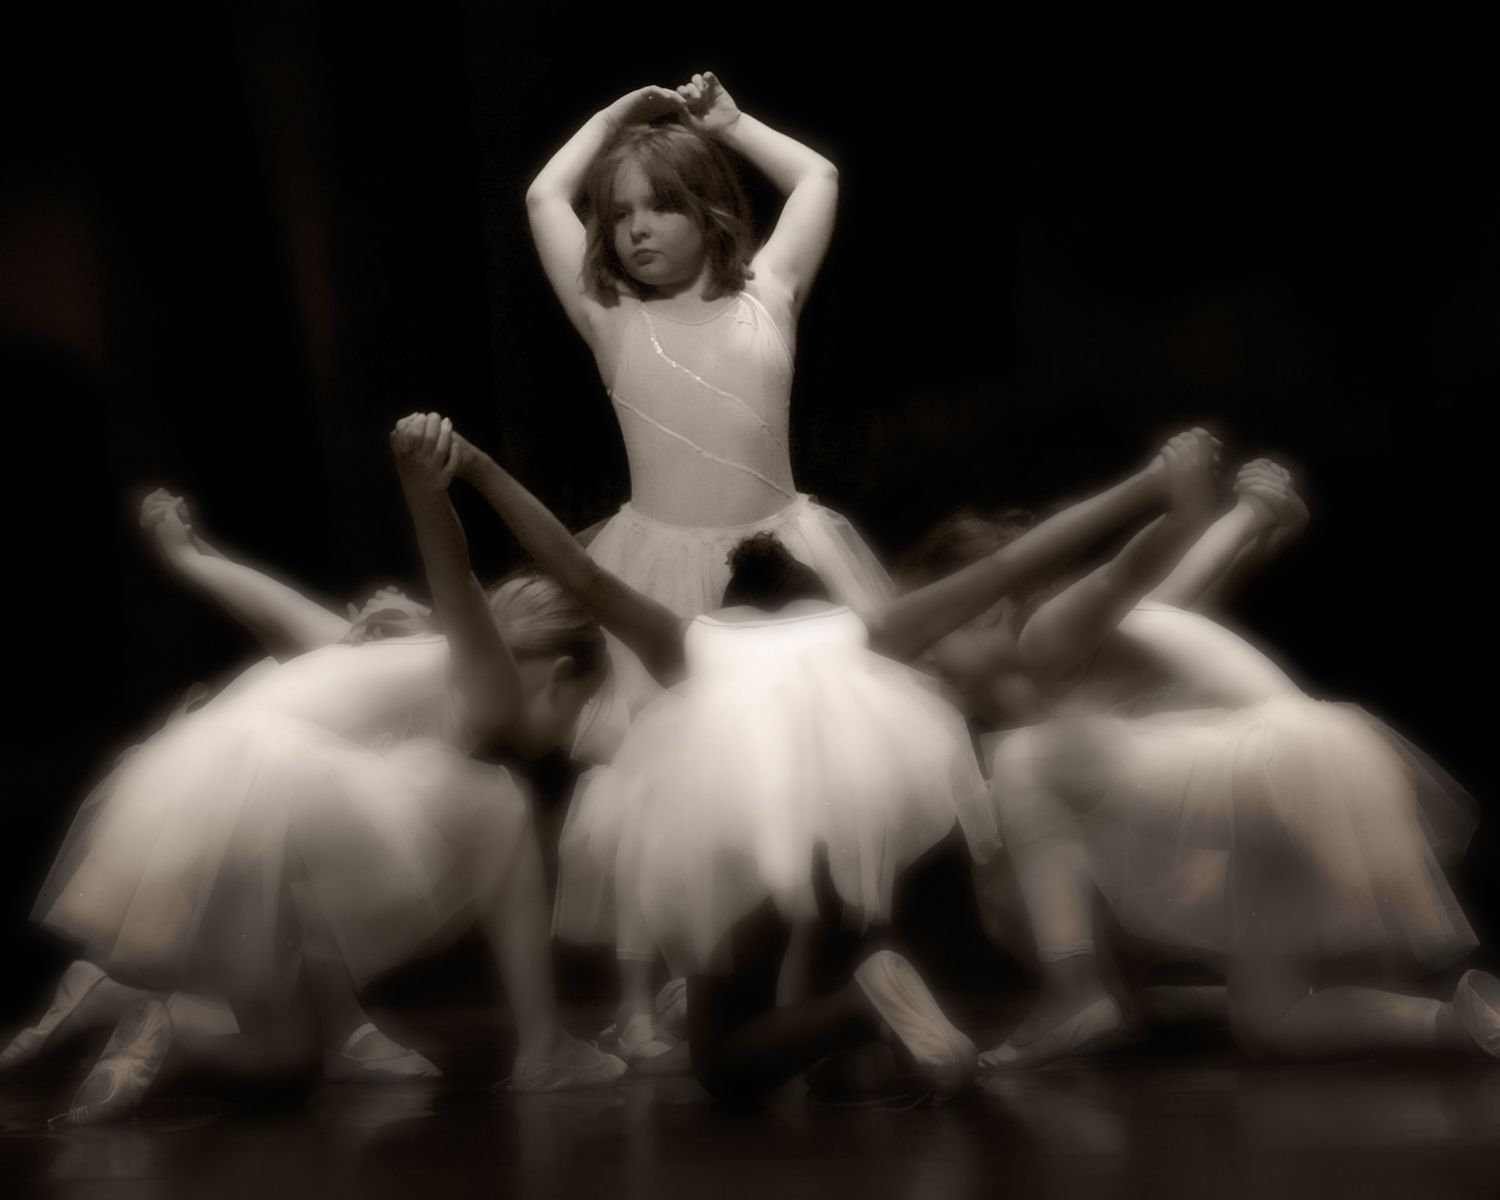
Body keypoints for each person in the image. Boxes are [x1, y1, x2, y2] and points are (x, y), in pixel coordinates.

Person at [26, 415, 626, 1123]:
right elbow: (455, 579)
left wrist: (190, 557)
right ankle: (544, 1048)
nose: (567, 736)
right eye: (579, 707)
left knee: (282, 1064)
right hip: (264, 783)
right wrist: (425, 490)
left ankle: (157, 1026)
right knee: (501, 804)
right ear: (557, 676)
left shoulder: (390, 655)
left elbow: (283, 612)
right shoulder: (486, 680)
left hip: (187, 782)